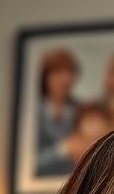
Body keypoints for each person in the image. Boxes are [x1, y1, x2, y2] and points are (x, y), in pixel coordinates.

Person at [34, 48, 82, 177]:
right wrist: (62, 149)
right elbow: (28, 162)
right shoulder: (33, 112)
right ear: (46, 77)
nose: (65, 79)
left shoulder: (80, 110)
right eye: (58, 73)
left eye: (70, 74)